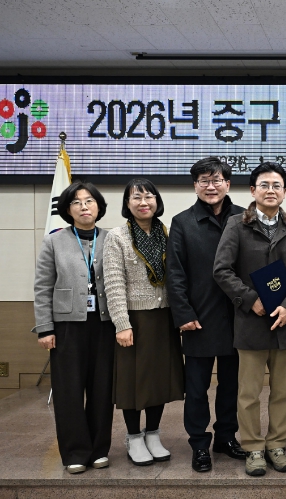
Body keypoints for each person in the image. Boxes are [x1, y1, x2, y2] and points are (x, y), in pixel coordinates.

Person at [213, 162, 286, 476]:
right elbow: (222, 270)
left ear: (284, 192)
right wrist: (250, 299)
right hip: (251, 322)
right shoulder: (236, 224)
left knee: (283, 392)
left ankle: (276, 446)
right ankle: (254, 448)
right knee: (249, 393)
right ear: (253, 190)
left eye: (277, 185)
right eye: (264, 185)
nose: (271, 190)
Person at [167, 157, 247, 472]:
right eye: (204, 181)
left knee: (231, 385)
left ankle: (226, 437)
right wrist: (183, 314)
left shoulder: (245, 216)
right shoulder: (183, 222)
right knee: (197, 389)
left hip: (239, 318)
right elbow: (175, 273)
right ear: (195, 185)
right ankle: (199, 444)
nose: (210, 186)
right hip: (198, 319)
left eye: (216, 180)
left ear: (228, 184)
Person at [33, 181, 114, 474]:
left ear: (99, 207)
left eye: (89, 201)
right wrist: (45, 328)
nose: (84, 206)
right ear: (68, 210)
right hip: (67, 326)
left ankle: (99, 449)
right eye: (76, 202)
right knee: (68, 390)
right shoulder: (54, 241)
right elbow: (42, 287)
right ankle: (75, 452)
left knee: (102, 389)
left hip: (105, 324)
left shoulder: (112, 238)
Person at [103, 179, 185, 466]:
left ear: (157, 201)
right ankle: (133, 436)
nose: (143, 202)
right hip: (134, 320)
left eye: (148, 196)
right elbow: (114, 284)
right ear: (127, 204)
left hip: (165, 317)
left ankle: (153, 433)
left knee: (159, 379)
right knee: (133, 381)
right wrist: (122, 324)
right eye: (136, 198)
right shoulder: (117, 237)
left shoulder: (168, 233)